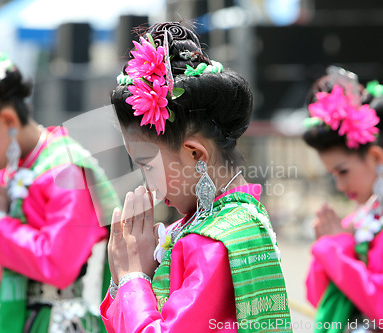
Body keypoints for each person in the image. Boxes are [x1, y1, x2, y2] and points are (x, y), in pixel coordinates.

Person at [101, 22, 292, 332]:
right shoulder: (228, 223)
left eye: (147, 165)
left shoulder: (212, 241)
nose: (147, 183)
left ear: (195, 154)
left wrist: (132, 277)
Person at [0, 40, 119, 332]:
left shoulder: (64, 167)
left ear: (8, 119)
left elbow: (59, 266)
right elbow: (6, 267)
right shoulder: (11, 171)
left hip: (61, 322)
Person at [303, 67, 383, 332]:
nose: (340, 185)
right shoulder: (362, 217)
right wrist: (331, 245)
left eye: (343, 171)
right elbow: (318, 297)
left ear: (376, 157)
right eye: (333, 175)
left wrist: (335, 248)